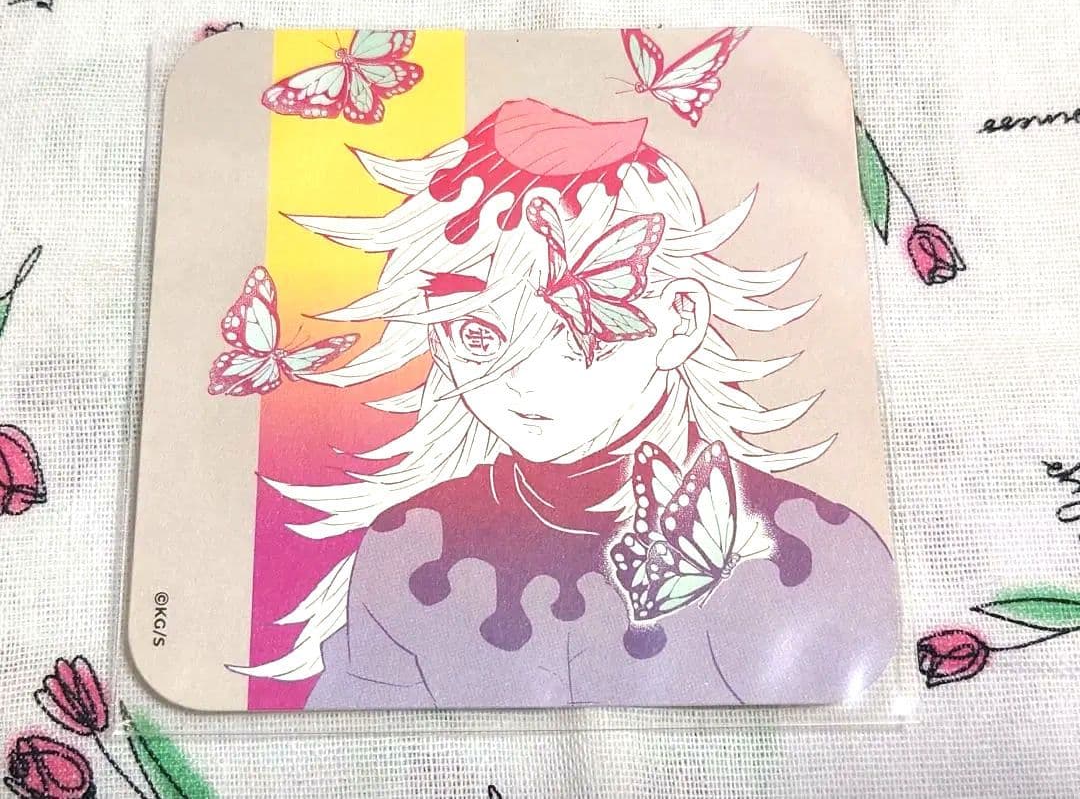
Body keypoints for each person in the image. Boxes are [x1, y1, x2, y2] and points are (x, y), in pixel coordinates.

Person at [233, 98, 898, 707]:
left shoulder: (820, 554)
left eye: (574, 330)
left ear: (679, 319)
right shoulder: (410, 549)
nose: (521, 377)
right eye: (477, 334)